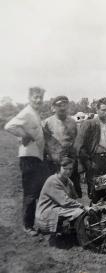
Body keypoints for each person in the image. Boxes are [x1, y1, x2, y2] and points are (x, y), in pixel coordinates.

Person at [5, 87, 46, 236]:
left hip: (36, 157)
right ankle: (27, 226)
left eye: (40, 97)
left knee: (36, 191)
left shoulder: (35, 113)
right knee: (30, 192)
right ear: (29, 98)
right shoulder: (27, 112)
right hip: (28, 158)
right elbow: (9, 126)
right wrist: (24, 134)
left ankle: (34, 222)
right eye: (35, 97)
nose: (38, 100)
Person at [34, 157, 88, 238]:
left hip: (56, 210)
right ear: (59, 168)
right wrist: (82, 206)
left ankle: (74, 233)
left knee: (80, 211)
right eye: (65, 169)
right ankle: (84, 240)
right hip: (45, 214)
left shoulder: (69, 181)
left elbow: (74, 199)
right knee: (78, 212)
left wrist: (84, 206)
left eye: (70, 169)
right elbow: (65, 201)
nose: (68, 171)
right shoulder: (53, 181)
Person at [75, 97, 106, 203]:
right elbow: (79, 146)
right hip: (94, 162)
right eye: (103, 110)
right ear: (97, 110)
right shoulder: (89, 124)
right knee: (94, 194)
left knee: (105, 194)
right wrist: (88, 165)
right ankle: (92, 219)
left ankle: (103, 218)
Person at [42, 96, 81, 197]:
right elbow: (42, 142)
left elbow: (75, 140)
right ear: (53, 108)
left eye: (65, 105)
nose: (62, 108)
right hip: (54, 162)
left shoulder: (72, 122)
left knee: (71, 190)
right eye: (59, 105)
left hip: (70, 162)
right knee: (55, 190)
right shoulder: (47, 122)